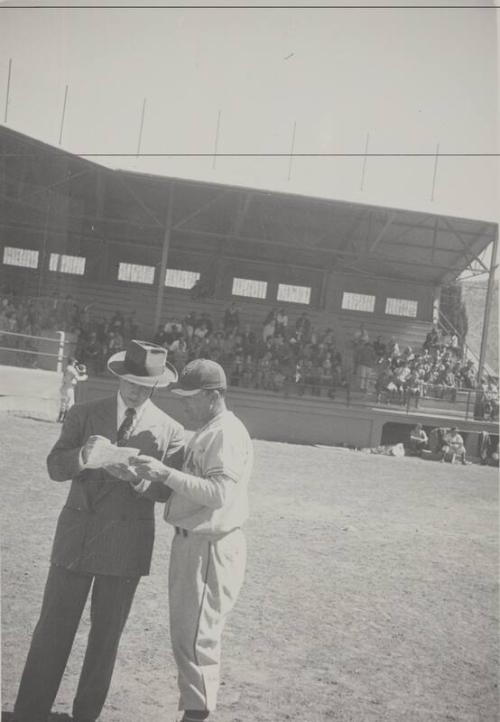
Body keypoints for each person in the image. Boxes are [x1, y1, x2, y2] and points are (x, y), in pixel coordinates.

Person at [13, 340, 184, 722]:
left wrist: (139, 480)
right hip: (78, 535)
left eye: (145, 384)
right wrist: (83, 458)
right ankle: (28, 713)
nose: (136, 389)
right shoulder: (84, 413)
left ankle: (85, 715)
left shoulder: (171, 431)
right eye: (130, 380)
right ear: (119, 376)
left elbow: (165, 493)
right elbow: (55, 468)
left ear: (157, 385)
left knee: (105, 640)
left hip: (126, 545)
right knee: (52, 629)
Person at [131, 359, 253, 722]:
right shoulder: (208, 428)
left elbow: (217, 494)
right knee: (188, 638)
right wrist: (139, 478)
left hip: (210, 546)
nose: (184, 404)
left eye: (191, 397)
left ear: (214, 396)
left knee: (197, 641)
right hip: (193, 542)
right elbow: (186, 492)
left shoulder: (226, 432)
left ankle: (195, 718)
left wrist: (165, 473)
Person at [57, 357, 88, 423]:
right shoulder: (72, 369)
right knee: (69, 404)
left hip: (64, 387)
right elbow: (78, 378)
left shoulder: (67, 367)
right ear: (72, 362)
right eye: (74, 362)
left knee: (63, 404)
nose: (75, 364)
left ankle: (60, 419)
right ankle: (64, 419)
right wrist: (84, 377)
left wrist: (78, 370)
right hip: (69, 388)